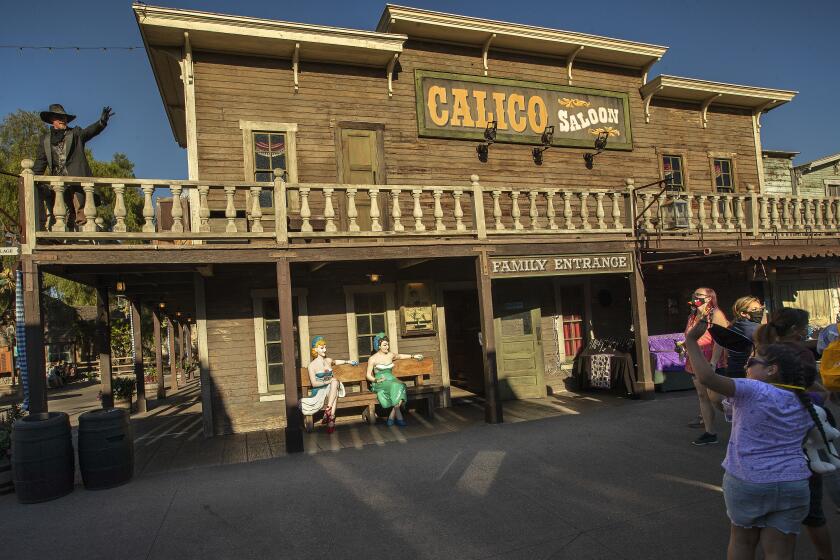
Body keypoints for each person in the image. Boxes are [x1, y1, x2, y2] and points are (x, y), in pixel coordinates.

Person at [686, 315, 816, 560]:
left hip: (749, 480)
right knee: (780, 553)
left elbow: (707, 382)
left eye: (753, 361)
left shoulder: (754, 390)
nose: (747, 364)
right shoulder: (805, 401)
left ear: (771, 370)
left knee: (742, 543)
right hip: (794, 483)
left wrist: (691, 342)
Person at [754, 307, 834, 559]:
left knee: (764, 519)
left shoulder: (763, 350)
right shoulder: (801, 353)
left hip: (765, 435)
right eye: (805, 325)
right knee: (813, 512)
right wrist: (820, 394)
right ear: (796, 329)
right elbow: (813, 387)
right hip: (801, 428)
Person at [33, 103, 114, 228]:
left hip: (76, 183)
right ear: (51, 120)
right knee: (58, 213)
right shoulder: (45, 140)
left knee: (80, 214)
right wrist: (29, 177)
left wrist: (101, 123)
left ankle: (81, 238)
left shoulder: (75, 133)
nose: (63, 119)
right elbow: (40, 164)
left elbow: (89, 132)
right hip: (58, 184)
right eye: (59, 117)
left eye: (64, 117)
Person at [684, 287, 728, 445]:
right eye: (694, 294)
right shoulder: (693, 315)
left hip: (711, 360)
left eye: (699, 295)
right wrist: (683, 346)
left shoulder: (715, 314)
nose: (696, 297)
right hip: (695, 360)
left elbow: (721, 339)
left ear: (709, 298)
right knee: (703, 396)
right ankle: (710, 432)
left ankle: (741, 418)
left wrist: (714, 362)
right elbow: (690, 337)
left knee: (716, 398)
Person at [300, 336, 356, 434]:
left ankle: (328, 410)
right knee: (333, 387)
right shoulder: (311, 366)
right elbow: (314, 383)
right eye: (322, 348)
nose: (325, 349)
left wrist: (348, 361)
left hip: (332, 387)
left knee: (334, 382)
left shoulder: (328, 360)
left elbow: (337, 361)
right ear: (315, 349)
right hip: (320, 389)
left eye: (325, 347)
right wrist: (327, 382)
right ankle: (331, 419)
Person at [365, 333, 422, 426]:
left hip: (391, 379)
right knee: (397, 385)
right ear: (378, 346)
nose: (387, 347)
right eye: (384, 345)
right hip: (380, 381)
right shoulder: (372, 359)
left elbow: (400, 356)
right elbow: (368, 375)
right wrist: (375, 380)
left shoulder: (390, 355)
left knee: (401, 385)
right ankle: (398, 417)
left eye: (387, 344)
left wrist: (413, 356)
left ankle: (392, 415)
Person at [723, 296, 765, 378]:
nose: (759, 311)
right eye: (755, 310)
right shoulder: (758, 329)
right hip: (750, 372)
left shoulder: (730, 327)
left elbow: (726, 352)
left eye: (760, 309)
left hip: (732, 370)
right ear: (743, 313)